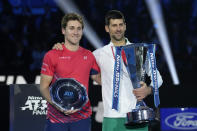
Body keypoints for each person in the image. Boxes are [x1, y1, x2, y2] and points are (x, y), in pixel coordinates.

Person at [53, 10, 163, 131]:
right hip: (111, 118)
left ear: (125, 26)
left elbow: (158, 77)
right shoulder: (99, 54)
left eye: (121, 25)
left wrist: (148, 90)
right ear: (107, 28)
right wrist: (61, 48)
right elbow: (74, 63)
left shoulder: (139, 51)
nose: (118, 29)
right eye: (114, 25)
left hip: (137, 116)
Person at [40, 13, 101, 131]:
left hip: (82, 117)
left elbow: (99, 78)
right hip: (56, 118)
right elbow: (43, 87)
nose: (76, 32)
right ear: (63, 30)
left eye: (79, 28)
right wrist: (58, 105)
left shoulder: (89, 55)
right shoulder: (52, 55)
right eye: (71, 28)